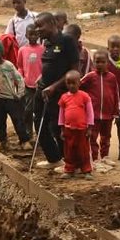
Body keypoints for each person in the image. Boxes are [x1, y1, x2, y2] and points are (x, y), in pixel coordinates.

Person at [32, 12, 79, 170]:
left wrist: (55, 86)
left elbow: (74, 71)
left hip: (60, 92)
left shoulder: (67, 41)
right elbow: (48, 67)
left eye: (40, 26)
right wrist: (41, 78)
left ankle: (69, 162)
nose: (38, 29)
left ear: (52, 23)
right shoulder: (47, 43)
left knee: (57, 127)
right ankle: (53, 158)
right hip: (43, 90)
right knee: (38, 122)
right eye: (36, 26)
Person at [0, 39, 30, 148]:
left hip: (11, 98)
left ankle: (24, 140)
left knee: (18, 119)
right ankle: (3, 140)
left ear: (1, 53)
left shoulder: (9, 66)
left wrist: (20, 94)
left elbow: (20, 79)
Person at [80, 49, 120, 169]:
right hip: (94, 114)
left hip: (108, 114)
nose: (100, 64)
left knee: (106, 136)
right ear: (94, 63)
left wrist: (116, 111)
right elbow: (79, 86)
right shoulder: (90, 76)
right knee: (92, 136)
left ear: (107, 62)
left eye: (103, 62)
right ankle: (95, 157)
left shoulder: (112, 77)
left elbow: (115, 94)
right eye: (97, 62)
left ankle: (105, 156)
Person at [56, 70, 94, 178]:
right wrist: (62, 129)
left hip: (82, 130)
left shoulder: (84, 96)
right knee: (69, 151)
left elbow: (90, 113)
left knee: (83, 150)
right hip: (69, 129)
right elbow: (61, 114)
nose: (71, 85)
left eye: (74, 83)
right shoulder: (64, 97)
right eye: (69, 83)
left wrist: (90, 127)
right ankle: (69, 169)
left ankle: (86, 170)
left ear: (79, 83)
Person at [16, 25, 44, 137]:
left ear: (38, 35)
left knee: (39, 110)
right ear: (26, 35)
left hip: (40, 86)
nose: (33, 36)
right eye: (30, 34)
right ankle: (29, 132)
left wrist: (41, 78)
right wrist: (21, 78)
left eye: (35, 34)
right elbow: (20, 66)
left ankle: (41, 134)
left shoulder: (43, 49)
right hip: (27, 86)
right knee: (27, 110)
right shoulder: (22, 50)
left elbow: (45, 67)